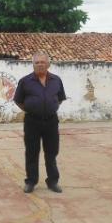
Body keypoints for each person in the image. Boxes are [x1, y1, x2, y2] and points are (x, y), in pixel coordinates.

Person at [14, 51, 66, 194]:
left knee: (52, 152)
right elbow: (18, 100)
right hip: (32, 121)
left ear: (48, 64)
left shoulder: (56, 80)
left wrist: (50, 107)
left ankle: (53, 181)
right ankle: (31, 181)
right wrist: (33, 109)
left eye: (43, 62)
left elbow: (60, 98)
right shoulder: (25, 81)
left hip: (51, 121)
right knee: (31, 152)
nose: (40, 65)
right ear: (33, 64)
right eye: (37, 62)